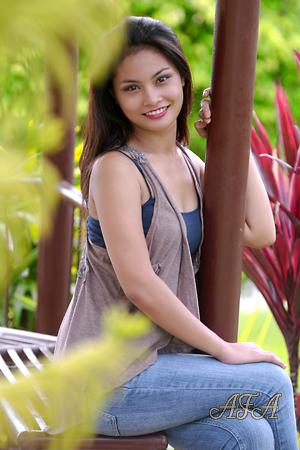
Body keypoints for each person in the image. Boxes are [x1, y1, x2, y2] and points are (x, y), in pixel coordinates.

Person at [54, 15, 298, 450]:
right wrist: (223, 350)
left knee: (248, 434)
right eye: (131, 87)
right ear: (113, 97)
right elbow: (140, 284)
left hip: (154, 371)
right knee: (270, 383)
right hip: (103, 382)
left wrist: (231, 136)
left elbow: (260, 231)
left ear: (184, 81)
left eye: (162, 79)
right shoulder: (117, 169)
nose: (151, 97)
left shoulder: (187, 162)